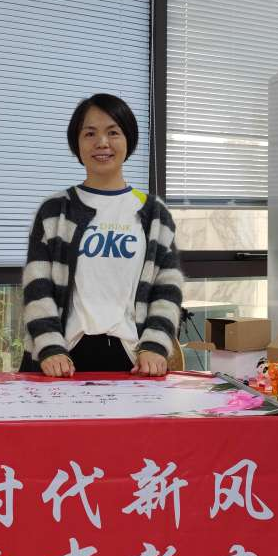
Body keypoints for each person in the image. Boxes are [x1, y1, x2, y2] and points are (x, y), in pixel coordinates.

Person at [20, 94, 183, 376]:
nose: (102, 143)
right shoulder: (55, 211)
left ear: (128, 139)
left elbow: (167, 289)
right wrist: (49, 348)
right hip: (62, 359)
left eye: (113, 132)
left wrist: (155, 346)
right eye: (90, 133)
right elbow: (38, 288)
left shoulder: (155, 214)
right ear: (77, 143)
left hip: (133, 358)